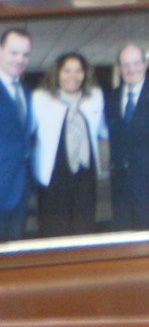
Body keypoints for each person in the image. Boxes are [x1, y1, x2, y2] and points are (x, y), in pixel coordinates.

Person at [32, 51, 104, 237]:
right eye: (67, 70)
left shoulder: (95, 97)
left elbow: (103, 129)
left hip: (85, 177)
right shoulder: (40, 99)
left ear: (85, 74)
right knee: (53, 232)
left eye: (78, 70)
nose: (73, 75)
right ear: (57, 73)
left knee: (84, 230)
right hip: (54, 178)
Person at [102, 43, 149, 232]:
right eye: (126, 64)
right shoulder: (111, 98)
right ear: (119, 68)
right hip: (120, 187)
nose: (131, 69)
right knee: (123, 236)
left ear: (145, 64)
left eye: (136, 63)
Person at [0, 27, 34, 240]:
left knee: (15, 251)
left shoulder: (26, 91)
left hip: (20, 188)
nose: (20, 59)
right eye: (13, 52)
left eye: (25, 55)